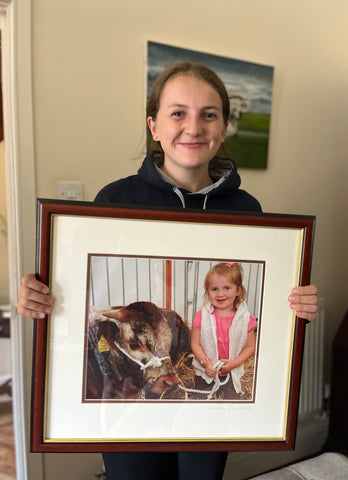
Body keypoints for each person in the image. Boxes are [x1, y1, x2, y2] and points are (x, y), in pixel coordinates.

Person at [17, 62, 318, 480]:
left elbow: (254, 305)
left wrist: (292, 306)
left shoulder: (248, 212)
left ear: (223, 127)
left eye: (208, 114)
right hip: (128, 416)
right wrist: (39, 295)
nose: (193, 127)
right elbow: (73, 291)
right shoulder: (114, 200)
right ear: (154, 125)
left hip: (204, 398)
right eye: (178, 113)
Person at [191, 262, 256, 400]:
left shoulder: (245, 319)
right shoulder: (202, 316)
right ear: (208, 291)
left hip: (230, 373)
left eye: (227, 288)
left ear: (238, 290)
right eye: (214, 289)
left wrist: (235, 363)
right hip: (206, 372)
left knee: (233, 403)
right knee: (199, 399)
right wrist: (206, 363)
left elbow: (250, 347)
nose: (220, 294)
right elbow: (195, 344)